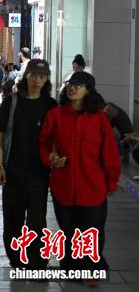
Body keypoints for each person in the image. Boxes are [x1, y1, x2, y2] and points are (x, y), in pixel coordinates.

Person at [39, 72, 120, 285]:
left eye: (79, 85)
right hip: (63, 186)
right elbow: (44, 143)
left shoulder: (99, 119)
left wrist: (112, 180)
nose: (72, 88)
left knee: (91, 230)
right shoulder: (55, 115)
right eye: (70, 84)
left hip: (93, 186)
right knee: (68, 230)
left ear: (88, 91)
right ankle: (71, 269)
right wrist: (50, 158)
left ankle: (92, 269)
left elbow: (110, 152)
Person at [0, 60, 57, 270]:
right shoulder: (12, 102)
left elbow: (56, 139)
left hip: (39, 174)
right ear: (26, 76)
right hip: (13, 172)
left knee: (37, 222)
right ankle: (17, 260)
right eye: (34, 75)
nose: (37, 80)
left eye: (42, 76)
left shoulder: (50, 105)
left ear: (46, 80)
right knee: (13, 221)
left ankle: (37, 263)